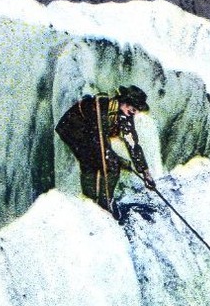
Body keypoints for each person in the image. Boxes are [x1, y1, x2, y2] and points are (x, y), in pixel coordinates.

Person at [55, 84, 155, 217]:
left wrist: (145, 172)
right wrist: (118, 160)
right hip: (73, 129)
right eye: (133, 106)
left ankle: (100, 200)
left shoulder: (125, 115)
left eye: (137, 109)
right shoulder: (101, 105)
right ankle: (98, 203)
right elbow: (100, 142)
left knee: (105, 161)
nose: (134, 111)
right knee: (101, 162)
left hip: (91, 136)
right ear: (123, 100)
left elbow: (132, 144)